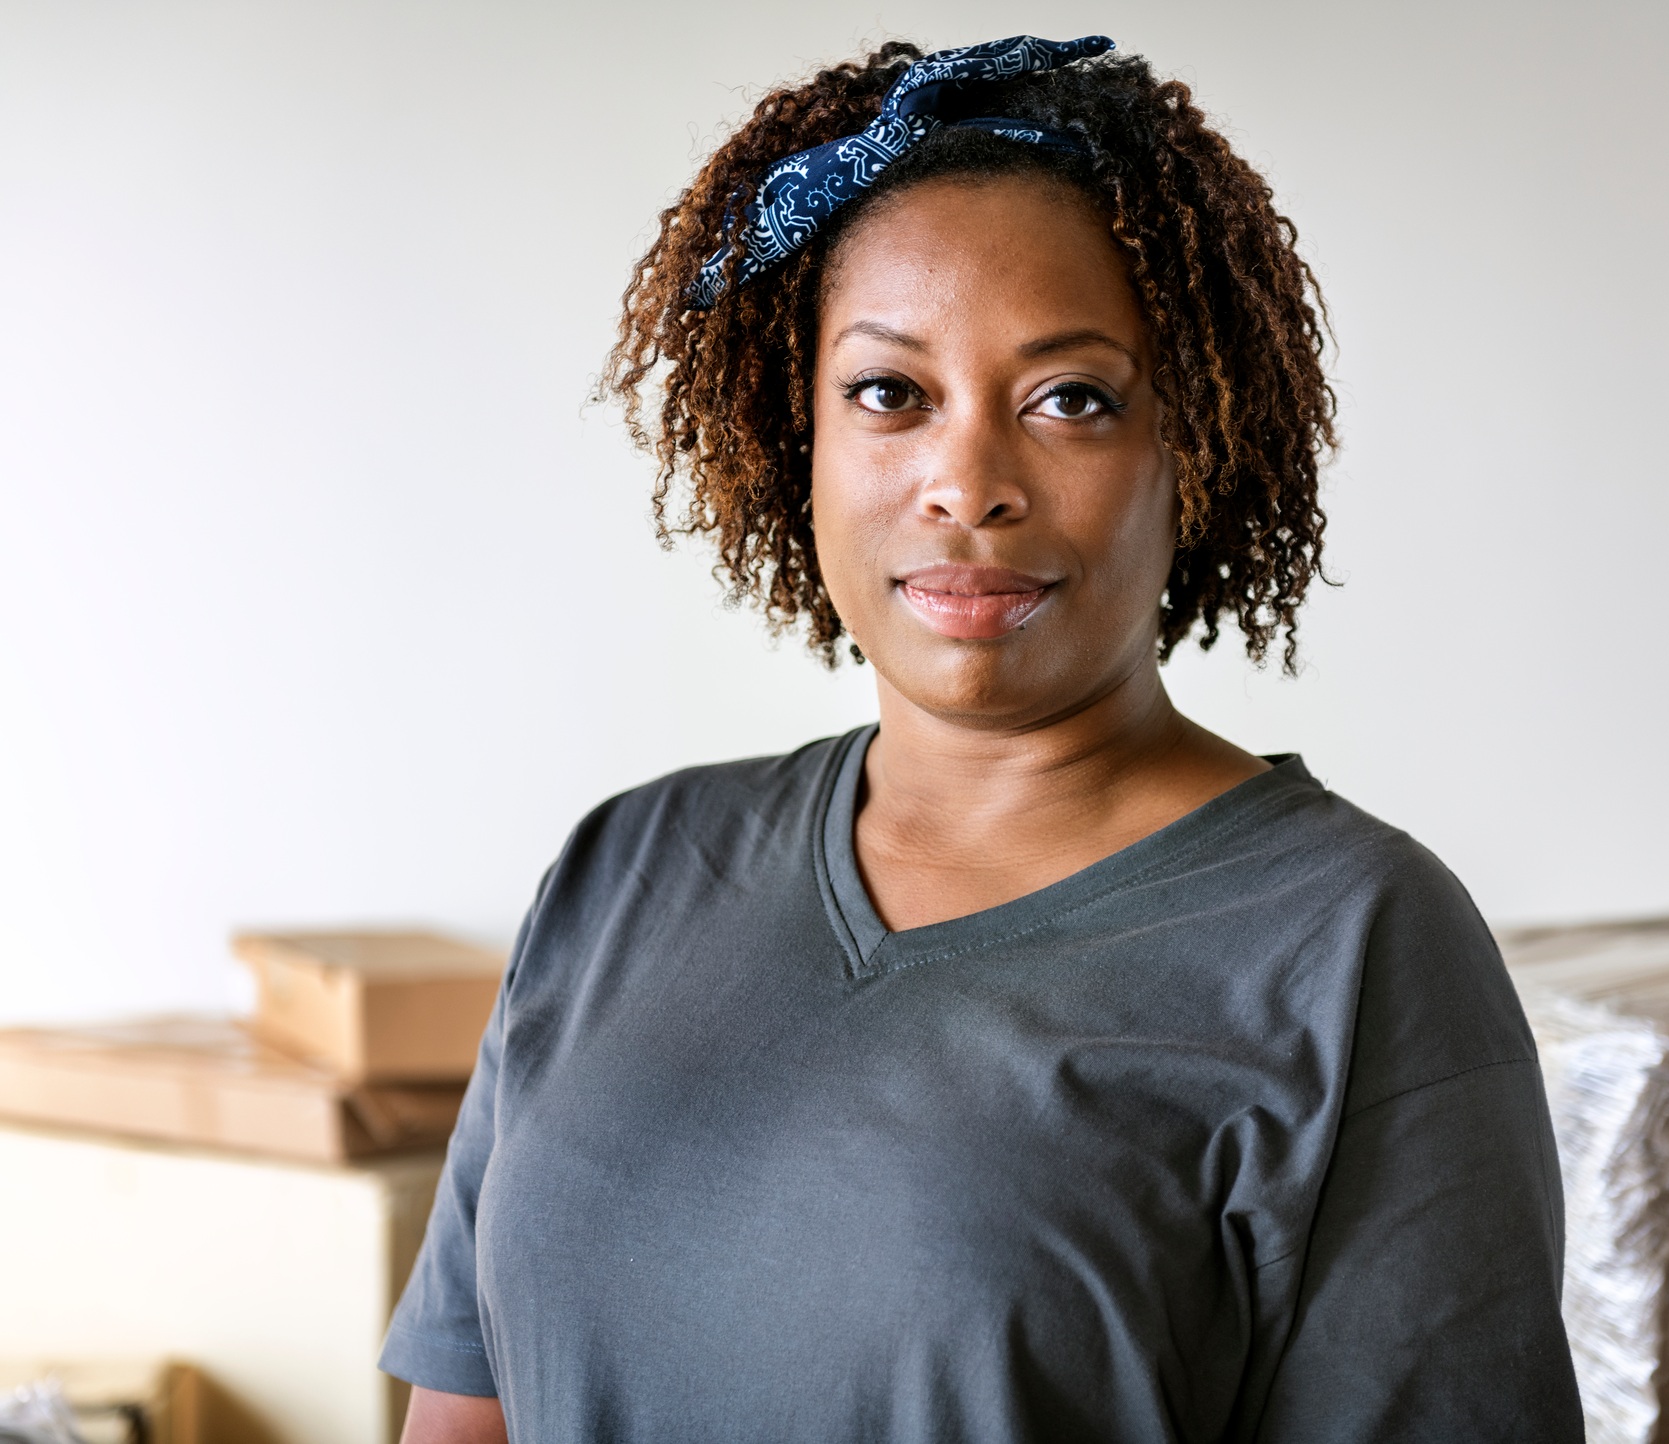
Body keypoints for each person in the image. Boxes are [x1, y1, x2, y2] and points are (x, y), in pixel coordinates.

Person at [382, 35, 1583, 1443]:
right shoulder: (628, 870)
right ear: (799, 438)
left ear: (1192, 447)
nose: (969, 483)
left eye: (1071, 398)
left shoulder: (1351, 945)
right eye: (891, 395)